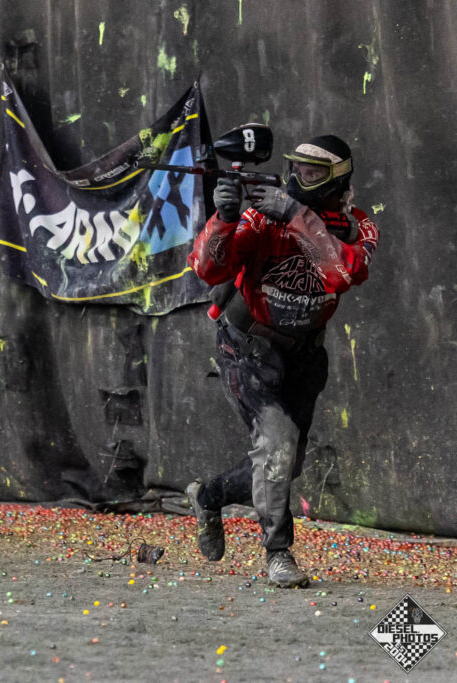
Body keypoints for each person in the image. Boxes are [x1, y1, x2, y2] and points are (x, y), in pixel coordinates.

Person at [185, 135, 379, 588]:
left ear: (337, 178)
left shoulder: (359, 225)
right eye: (296, 169)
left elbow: (343, 273)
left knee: (285, 464)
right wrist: (224, 219)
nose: (298, 178)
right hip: (246, 347)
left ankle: (208, 496)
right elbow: (208, 269)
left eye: (312, 173)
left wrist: (297, 216)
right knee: (276, 445)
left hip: (304, 355)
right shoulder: (262, 219)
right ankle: (278, 553)